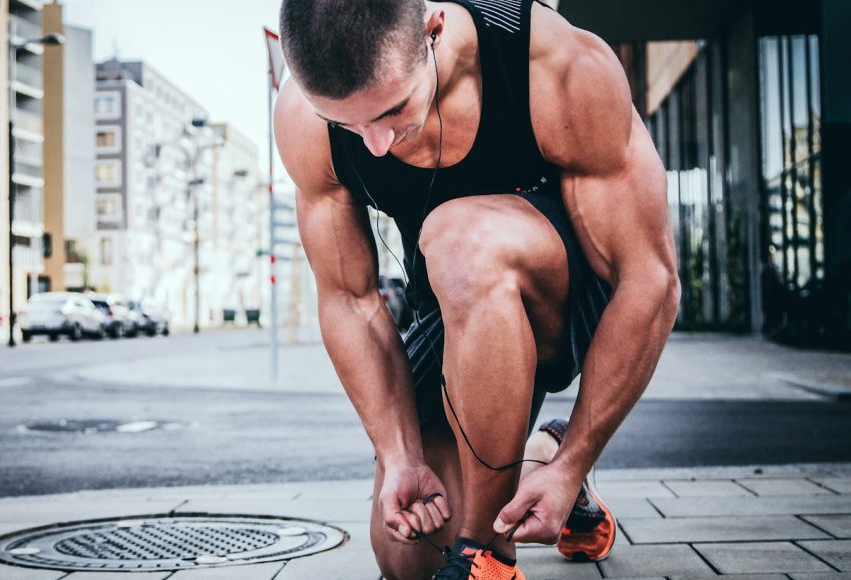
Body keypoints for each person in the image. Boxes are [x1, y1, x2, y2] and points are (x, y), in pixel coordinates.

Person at [273, 0, 680, 578]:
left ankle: (487, 557)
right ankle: (534, 452)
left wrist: (575, 462)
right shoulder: (304, 117)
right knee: (407, 556)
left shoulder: (553, 63)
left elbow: (651, 279)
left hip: (574, 299)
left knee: (461, 237)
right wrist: (400, 454)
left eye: (392, 109)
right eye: (349, 125)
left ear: (433, 33)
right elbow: (350, 300)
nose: (376, 145)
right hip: (457, 309)